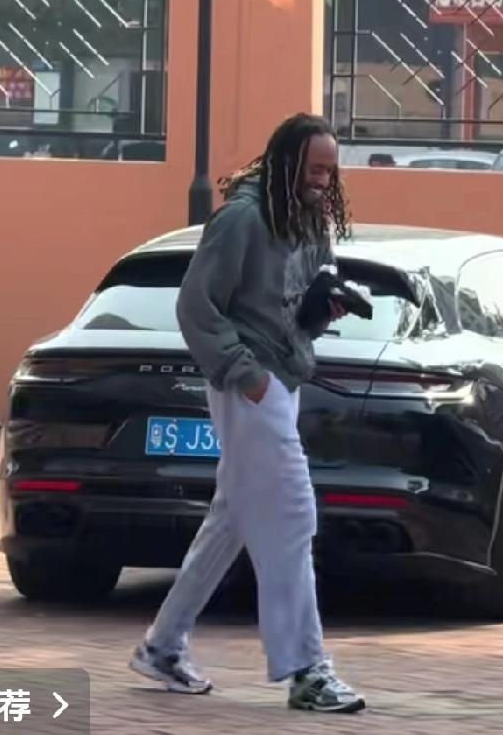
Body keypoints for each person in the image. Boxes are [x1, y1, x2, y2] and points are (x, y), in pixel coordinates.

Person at [129, 113, 366, 714]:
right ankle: (307, 671)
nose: (323, 180)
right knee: (292, 516)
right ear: (287, 161)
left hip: (280, 380)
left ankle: (162, 646)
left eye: (330, 171)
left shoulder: (308, 218)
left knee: (231, 520)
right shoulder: (241, 217)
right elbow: (196, 307)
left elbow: (289, 309)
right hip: (251, 387)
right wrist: (247, 375)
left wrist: (322, 310)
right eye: (314, 169)